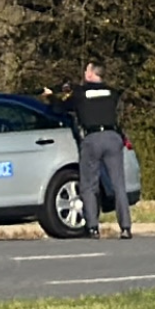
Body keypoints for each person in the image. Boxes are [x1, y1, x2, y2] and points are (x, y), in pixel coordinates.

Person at [43, 60, 133, 239]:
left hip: (92, 139)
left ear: (91, 73)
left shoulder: (80, 93)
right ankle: (125, 227)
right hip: (113, 137)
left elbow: (59, 108)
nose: (85, 72)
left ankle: (92, 227)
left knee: (89, 185)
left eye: (86, 70)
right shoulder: (113, 93)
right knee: (118, 185)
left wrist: (51, 96)